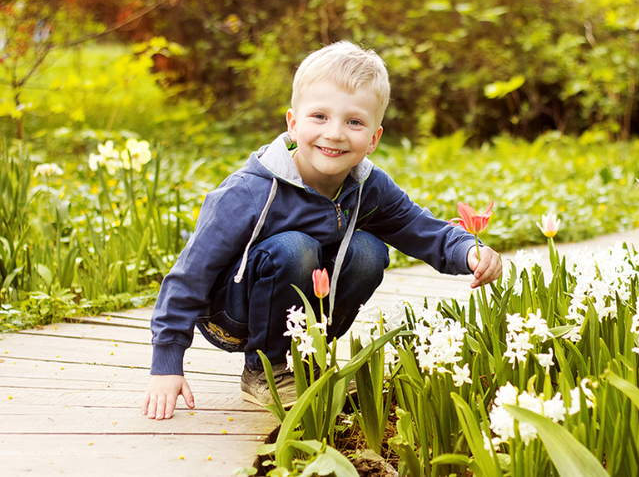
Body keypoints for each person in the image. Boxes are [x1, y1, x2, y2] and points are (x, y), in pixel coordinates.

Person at [141, 41, 503, 420]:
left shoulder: (367, 187)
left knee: (368, 250)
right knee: (294, 248)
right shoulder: (249, 190)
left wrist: (468, 250)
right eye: (319, 116)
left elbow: (416, 225)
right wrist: (167, 362)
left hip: (302, 303)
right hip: (232, 312)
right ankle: (264, 371)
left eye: (354, 122)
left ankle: (306, 360)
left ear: (374, 138)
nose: (335, 133)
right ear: (293, 123)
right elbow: (190, 273)